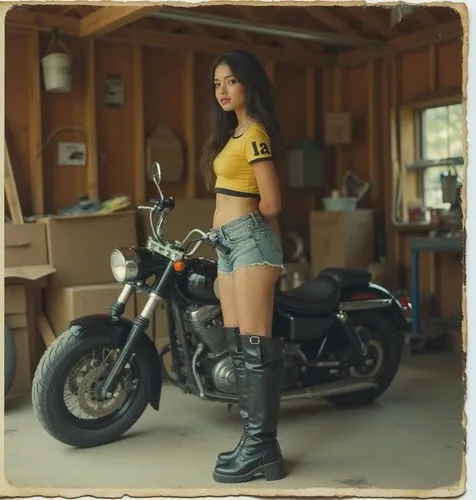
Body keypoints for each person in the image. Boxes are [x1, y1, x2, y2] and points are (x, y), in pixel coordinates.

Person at [199, 50, 286, 484]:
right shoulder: (233, 135)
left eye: (231, 81)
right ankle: (254, 442)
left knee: (255, 348)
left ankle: (261, 447)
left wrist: (244, 225)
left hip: (249, 242)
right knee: (239, 347)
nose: (222, 91)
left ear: (249, 83)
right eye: (217, 84)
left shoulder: (255, 134)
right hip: (228, 247)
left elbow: (271, 201)